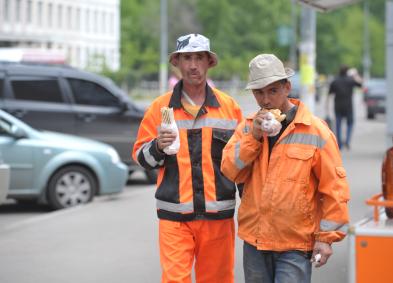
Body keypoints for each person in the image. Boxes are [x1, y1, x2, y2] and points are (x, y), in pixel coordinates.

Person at [221, 54, 350, 283]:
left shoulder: (315, 131)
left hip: (295, 245)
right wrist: (255, 138)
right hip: (255, 241)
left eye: (272, 91)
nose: (266, 100)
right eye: (259, 92)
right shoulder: (249, 128)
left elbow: (334, 188)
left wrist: (326, 238)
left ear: (287, 87)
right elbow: (230, 169)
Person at [132, 33, 243, 283]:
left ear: (209, 62)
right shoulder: (160, 108)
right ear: (177, 63)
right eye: (187, 58)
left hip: (218, 219)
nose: (193, 65)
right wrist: (157, 147)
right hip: (175, 220)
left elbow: (242, 161)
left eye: (199, 58)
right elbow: (140, 158)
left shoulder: (229, 108)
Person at [327, 65, 363, 149]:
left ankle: (339, 144)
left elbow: (329, 94)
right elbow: (360, 84)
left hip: (338, 106)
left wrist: (327, 107)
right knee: (350, 124)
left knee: (338, 125)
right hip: (348, 107)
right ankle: (347, 141)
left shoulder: (335, 81)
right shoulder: (350, 80)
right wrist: (355, 75)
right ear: (347, 71)